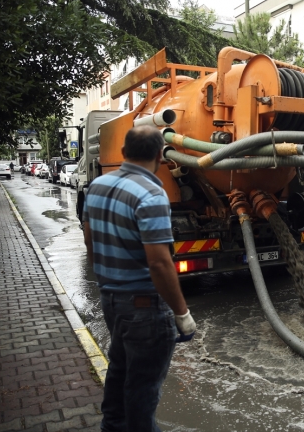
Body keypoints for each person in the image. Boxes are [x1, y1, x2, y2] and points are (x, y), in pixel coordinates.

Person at [83, 125, 196, 432]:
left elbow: (89, 241)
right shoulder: (151, 193)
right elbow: (159, 263)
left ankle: (112, 426)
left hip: (112, 300)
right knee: (143, 389)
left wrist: (108, 276)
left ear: (123, 153)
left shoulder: (98, 185)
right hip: (144, 308)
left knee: (119, 371)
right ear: (161, 155)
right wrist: (182, 313)